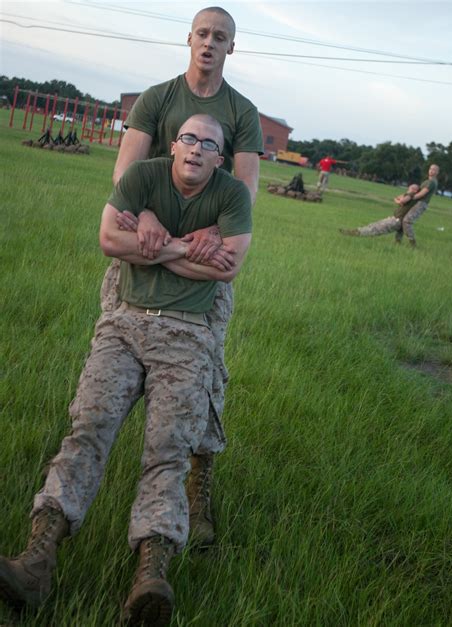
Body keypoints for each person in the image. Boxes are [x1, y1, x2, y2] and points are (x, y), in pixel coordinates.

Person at [0, 114, 252, 625]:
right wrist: (186, 248)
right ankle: (36, 561)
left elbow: (230, 264)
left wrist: (156, 245)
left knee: (169, 449)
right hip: (124, 325)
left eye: (209, 144)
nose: (196, 149)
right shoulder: (143, 176)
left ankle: (149, 577)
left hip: (187, 335)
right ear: (174, 144)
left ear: (220, 158)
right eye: (188, 139)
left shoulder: (231, 196)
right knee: (87, 430)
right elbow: (111, 241)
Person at [101, 6, 263, 546]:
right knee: (114, 364)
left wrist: (218, 232)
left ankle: (199, 488)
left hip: (202, 267)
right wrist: (144, 212)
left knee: (203, 375)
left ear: (231, 48)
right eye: (203, 34)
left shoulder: (242, 113)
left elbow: (244, 190)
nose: (210, 44)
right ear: (188, 39)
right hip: (139, 260)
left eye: (221, 37)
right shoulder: (158, 99)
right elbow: (126, 172)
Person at [339, 184, 421, 237]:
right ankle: (356, 231)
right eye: (410, 187)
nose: (409, 188)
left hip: (397, 220)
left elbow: (401, 200)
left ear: (415, 190)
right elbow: (397, 198)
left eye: (412, 187)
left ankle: (356, 233)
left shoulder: (411, 195)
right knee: (375, 225)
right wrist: (398, 201)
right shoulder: (408, 195)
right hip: (395, 218)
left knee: (376, 228)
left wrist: (400, 201)